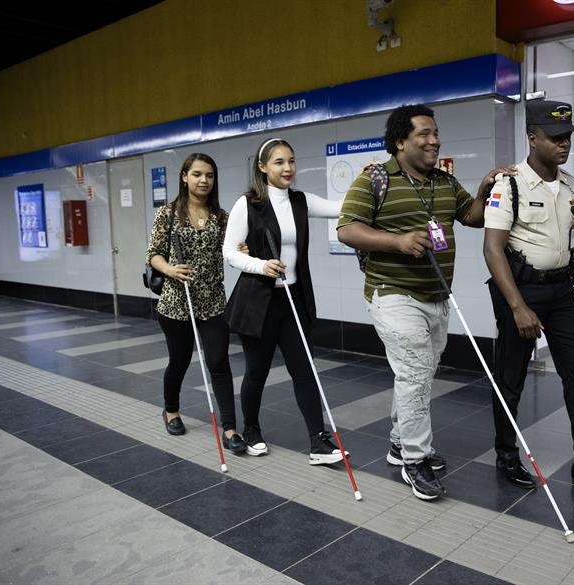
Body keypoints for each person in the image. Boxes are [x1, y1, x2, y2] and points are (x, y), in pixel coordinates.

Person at [337, 104, 514, 501]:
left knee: (418, 374)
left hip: (437, 295)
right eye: (424, 134)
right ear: (400, 141)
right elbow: (347, 229)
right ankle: (415, 459)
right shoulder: (375, 179)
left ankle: (400, 441)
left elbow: (472, 217)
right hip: (392, 293)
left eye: (436, 133)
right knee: (416, 372)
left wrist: (485, 189)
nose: (434, 140)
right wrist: (397, 242)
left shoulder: (444, 181)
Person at [482, 99, 574, 489]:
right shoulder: (509, 184)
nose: (563, 144)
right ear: (532, 137)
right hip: (521, 291)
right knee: (511, 379)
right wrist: (518, 306)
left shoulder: (571, 185)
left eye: (567, 136)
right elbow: (492, 249)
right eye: (554, 137)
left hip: (562, 293)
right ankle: (506, 455)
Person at [223, 137, 347, 465]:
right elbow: (230, 252)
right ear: (262, 167)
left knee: (304, 370)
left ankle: (318, 442)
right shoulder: (248, 204)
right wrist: (260, 265)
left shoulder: (301, 201)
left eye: (291, 160)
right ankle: (251, 430)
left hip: (294, 299)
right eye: (279, 162)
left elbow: (341, 206)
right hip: (258, 302)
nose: (288, 167)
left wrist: (371, 182)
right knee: (257, 371)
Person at [146, 153, 245, 454]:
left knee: (219, 362)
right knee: (179, 360)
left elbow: (231, 250)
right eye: (198, 174)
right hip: (176, 302)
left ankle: (230, 428)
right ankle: (171, 410)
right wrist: (169, 269)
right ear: (185, 177)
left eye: (210, 175)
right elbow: (153, 254)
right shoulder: (168, 214)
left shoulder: (221, 217)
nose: (204, 180)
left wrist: (241, 250)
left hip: (213, 301)